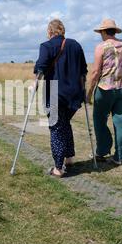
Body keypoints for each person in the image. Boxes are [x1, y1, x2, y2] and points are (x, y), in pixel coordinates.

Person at [34, 19, 88, 178]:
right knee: (64, 124)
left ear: (49, 31)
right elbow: (83, 70)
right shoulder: (76, 45)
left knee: (56, 127)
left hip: (56, 92)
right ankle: (69, 158)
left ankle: (58, 167)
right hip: (74, 94)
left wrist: (34, 84)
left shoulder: (46, 46)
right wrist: (83, 90)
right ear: (62, 30)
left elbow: (41, 68)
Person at [86, 19, 122, 166]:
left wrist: (88, 93)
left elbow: (95, 72)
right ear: (115, 31)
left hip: (105, 89)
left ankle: (102, 151)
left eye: (101, 32)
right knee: (121, 119)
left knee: (99, 119)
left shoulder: (101, 47)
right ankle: (120, 156)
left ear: (104, 32)